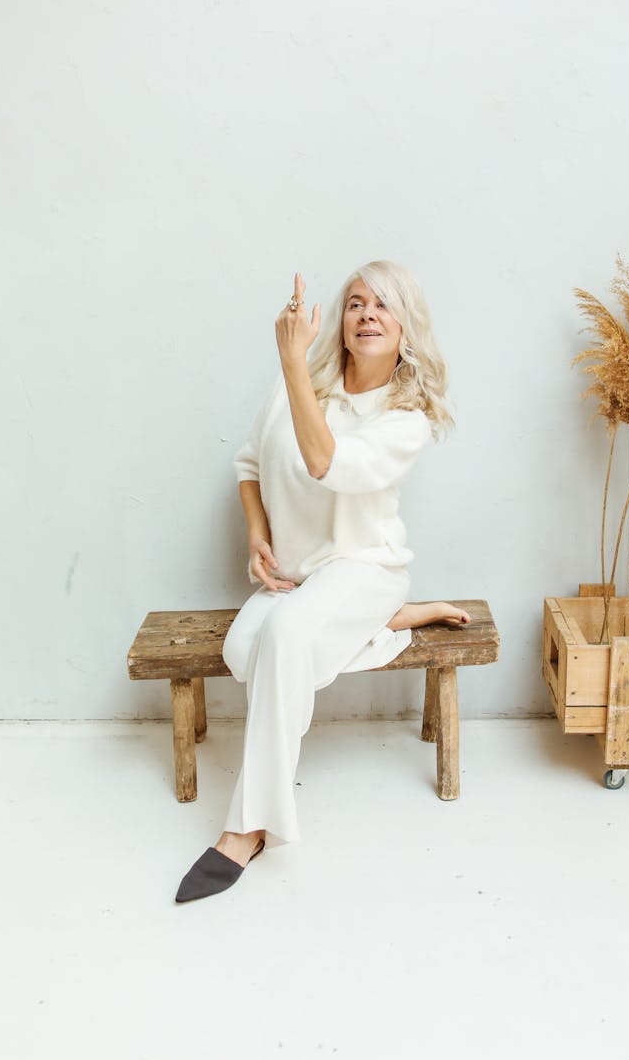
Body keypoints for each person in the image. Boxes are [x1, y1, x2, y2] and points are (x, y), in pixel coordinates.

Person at [175, 261, 469, 903]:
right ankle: (387, 624)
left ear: (404, 330)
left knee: (282, 636)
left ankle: (249, 826)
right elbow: (249, 460)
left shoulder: (403, 419)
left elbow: (324, 461)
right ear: (340, 319)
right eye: (356, 302)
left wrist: (289, 362)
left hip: (365, 568)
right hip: (303, 580)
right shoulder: (303, 382)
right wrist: (257, 532)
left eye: (384, 306)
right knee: (243, 649)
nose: (367, 314)